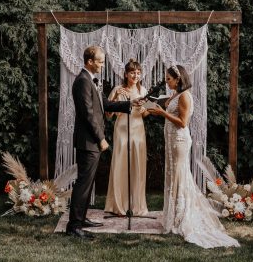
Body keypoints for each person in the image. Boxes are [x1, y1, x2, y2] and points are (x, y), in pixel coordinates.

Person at [148, 65, 239, 248]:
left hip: (180, 140)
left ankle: (182, 216)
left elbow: (183, 122)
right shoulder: (174, 94)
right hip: (171, 139)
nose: (167, 82)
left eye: (169, 79)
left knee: (180, 176)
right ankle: (173, 216)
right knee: (173, 175)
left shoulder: (185, 96)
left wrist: (162, 112)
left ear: (178, 79)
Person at [67, 46, 132, 239]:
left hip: (91, 141)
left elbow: (105, 104)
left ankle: (82, 217)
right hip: (88, 141)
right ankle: (74, 226)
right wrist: (101, 139)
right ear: (90, 62)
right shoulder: (82, 82)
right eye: (100, 61)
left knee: (87, 182)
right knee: (83, 183)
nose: (103, 65)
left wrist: (129, 104)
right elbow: (88, 115)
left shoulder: (92, 81)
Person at [104, 59, 149, 216]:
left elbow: (146, 113)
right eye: (132, 73)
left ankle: (136, 205)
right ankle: (118, 205)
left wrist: (145, 108)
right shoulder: (118, 89)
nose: (136, 75)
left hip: (138, 130)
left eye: (138, 73)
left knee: (137, 164)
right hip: (122, 130)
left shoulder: (143, 90)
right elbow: (108, 115)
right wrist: (115, 96)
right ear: (126, 74)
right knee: (121, 164)